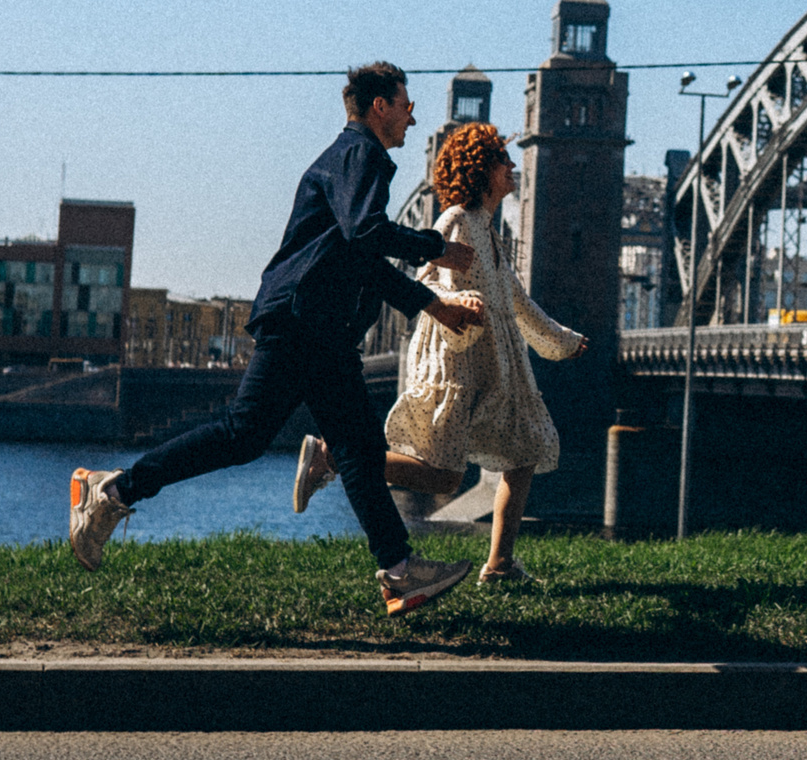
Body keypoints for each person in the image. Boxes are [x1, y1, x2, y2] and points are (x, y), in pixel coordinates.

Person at [67, 63, 490, 616]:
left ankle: (399, 572)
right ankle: (113, 491)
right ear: (378, 106)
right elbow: (367, 235)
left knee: (353, 449)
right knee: (250, 435)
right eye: (405, 103)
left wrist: (431, 305)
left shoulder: (354, 159)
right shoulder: (358, 155)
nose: (413, 115)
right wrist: (434, 246)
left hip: (319, 326)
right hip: (304, 320)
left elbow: (360, 257)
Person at [299, 120, 588, 583]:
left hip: (493, 366)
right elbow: (427, 281)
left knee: (523, 451)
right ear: (481, 170)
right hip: (455, 362)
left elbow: (517, 301)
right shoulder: (455, 219)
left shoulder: (490, 234)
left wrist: (563, 341)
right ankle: (333, 454)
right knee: (441, 478)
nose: (513, 166)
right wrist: (455, 301)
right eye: (502, 159)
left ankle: (499, 565)